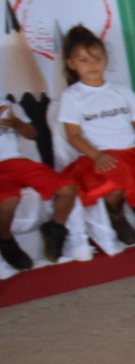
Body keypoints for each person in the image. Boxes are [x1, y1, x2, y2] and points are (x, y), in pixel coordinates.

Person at [57, 26, 135, 245]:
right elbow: (74, 136)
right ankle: (116, 216)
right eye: (83, 60)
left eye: (97, 58)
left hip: (132, 151)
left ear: (106, 59)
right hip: (102, 154)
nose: (92, 65)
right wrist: (96, 156)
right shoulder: (72, 96)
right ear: (71, 64)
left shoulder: (121, 91)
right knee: (114, 180)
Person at [0, 99, 77, 269]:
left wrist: (16, 123)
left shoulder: (7, 105)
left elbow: (32, 134)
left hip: (18, 162)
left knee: (67, 189)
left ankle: (55, 228)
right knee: (7, 205)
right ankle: (5, 241)